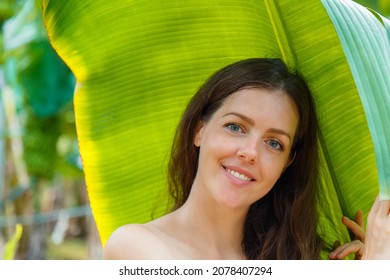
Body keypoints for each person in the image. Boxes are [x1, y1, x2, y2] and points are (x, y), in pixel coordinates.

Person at [103, 58, 389, 260]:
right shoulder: (133, 246)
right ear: (198, 131)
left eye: (274, 143)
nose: (250, 152)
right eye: (235, 127)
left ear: (287, 164)